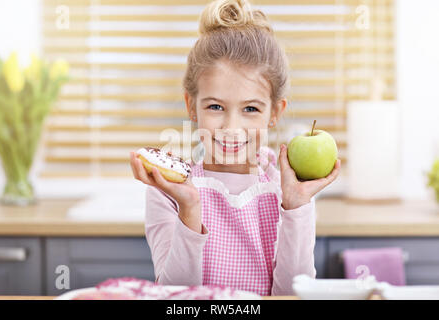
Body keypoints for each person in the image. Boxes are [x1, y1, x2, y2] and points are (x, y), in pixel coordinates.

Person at [130, 0, 341, 296]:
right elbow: (175, 296)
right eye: (215, 106)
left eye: (251, 109)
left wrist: (296, 208)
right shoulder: (169, 191)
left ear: (275, 112)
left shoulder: (287, 188)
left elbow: (291, 294)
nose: (231, 127)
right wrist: (189, 209)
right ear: (192, 106)